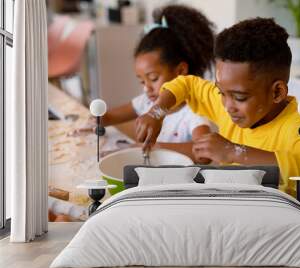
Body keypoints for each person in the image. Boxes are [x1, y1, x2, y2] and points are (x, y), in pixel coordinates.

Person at [133, 18, 300, 196]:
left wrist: (233, 151)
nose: (227, 106)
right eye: (221, 92)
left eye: (239, 97)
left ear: (277, 92)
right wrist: (156, 112)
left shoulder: (295, 125)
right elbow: (186, 84)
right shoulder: (226, 102)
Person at [79, 5, 215, 163]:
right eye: (142, 81)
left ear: (180, 71)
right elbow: (108, 116)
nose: (147, 88)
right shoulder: (147, 101)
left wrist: (156, 146)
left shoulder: (193, 112)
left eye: (153, 78)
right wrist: (94, 120)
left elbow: (205, 155)